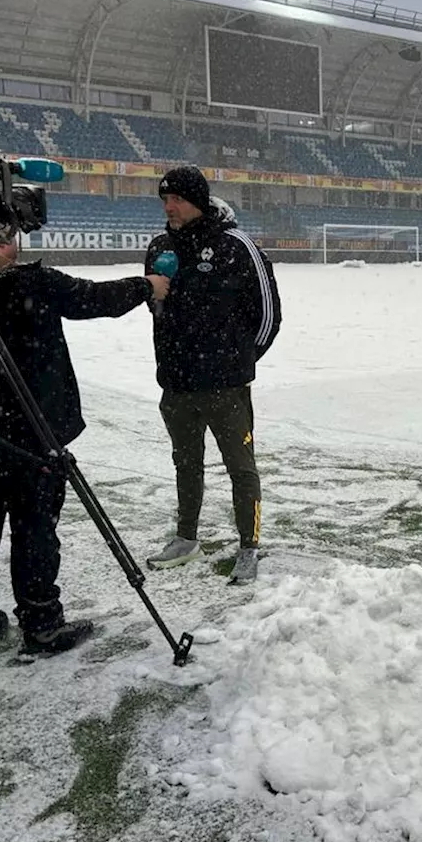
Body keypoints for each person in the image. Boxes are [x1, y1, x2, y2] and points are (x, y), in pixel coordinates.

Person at [0, 231, 169, 655]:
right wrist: (147, 285)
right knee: (29, 529)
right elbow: (95, 299)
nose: (9, 248)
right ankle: (36, 623)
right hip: (22, 439)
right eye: (0, 240)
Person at [144, 166, 281, 583]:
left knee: (241, 467)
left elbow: (268, 317)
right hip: (177, 384)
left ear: (198, 201)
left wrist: (237, 362)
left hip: (225, 386)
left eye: (178, 199)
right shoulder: (159, 246)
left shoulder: (237, 246)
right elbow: (157, 309)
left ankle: (249, 546)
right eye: (165, 199)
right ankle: (186, 538)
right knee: (186, 464)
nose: (169, 207)